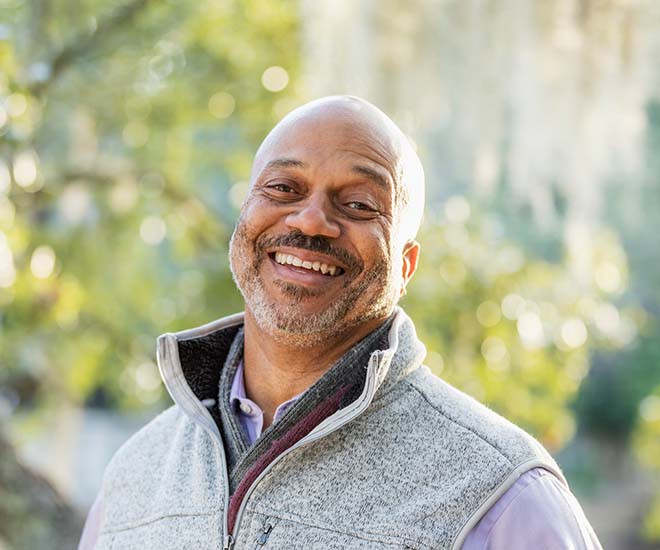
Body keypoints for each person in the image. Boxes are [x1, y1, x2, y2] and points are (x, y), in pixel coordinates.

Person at [79, 95, 602, 550]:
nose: (309, 220)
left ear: (405, 266)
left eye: (357, 204)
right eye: (284, 188)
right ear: (243, 218)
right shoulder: (136, 474)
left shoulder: (501, 494)